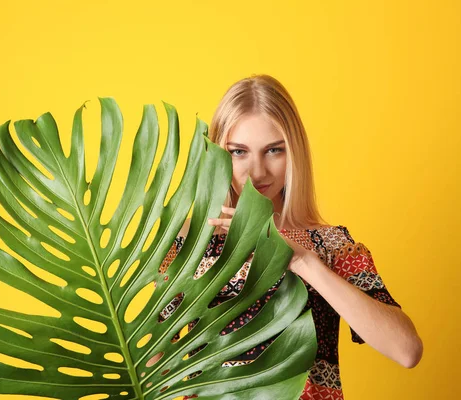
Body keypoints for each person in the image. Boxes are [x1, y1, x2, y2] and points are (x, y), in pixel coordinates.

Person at [158, 74, 423, 400]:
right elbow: (158, 366)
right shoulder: (189, 243)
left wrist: (301, 259)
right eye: (239, 152)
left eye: (273, 150)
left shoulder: (331, 245)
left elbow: (406, 350)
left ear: (294, 151)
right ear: (218, 153)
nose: (257, 171)